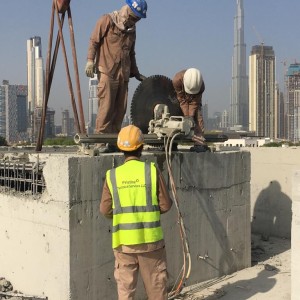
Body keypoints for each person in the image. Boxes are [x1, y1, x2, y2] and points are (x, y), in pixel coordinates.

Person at [100, 125, 173, 299]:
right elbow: (166, 205)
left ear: (120, 148)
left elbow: (105, 210)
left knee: (126, 292)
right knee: (156, 290)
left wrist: (123, 215)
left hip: (124, 244)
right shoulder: (152, 171)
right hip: (151, 243)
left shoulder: (112, 175)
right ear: (141, 147)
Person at [85, 0, 147, 153]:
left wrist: (136, 72)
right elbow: (94, 41)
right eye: (134, 17)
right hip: (107, 70)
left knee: (120, 109)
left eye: (138, 19)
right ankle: (100, 142)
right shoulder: (107, 20)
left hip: (123, 74)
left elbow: (131, 53)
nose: (135, 21)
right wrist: (89, 61)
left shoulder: (132, 30)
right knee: (106, 108)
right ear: (127, 11)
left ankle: (113, 141)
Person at [172, 68, 210, 152]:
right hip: (178, 98)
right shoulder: (177, 80)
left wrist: (191, 118)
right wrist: (187, 117)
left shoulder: (201, 86)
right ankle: (173, 142)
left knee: (198, 117)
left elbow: (195, 103)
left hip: (194, 100)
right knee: (176, 113)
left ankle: (199, 143)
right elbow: (182, 100)